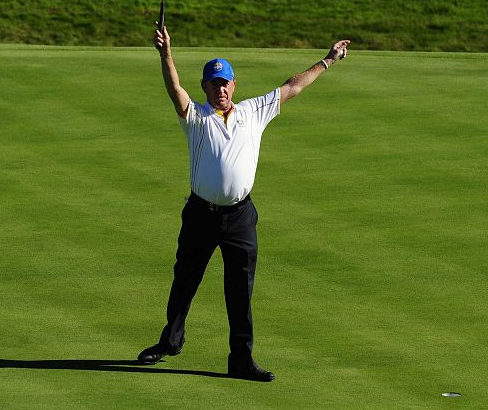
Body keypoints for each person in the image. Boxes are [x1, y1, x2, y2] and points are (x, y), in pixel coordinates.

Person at [138, 24, 350, 382]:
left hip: (239, 217)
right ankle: (171, 342)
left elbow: (292, 85)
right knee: (185, 280)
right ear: (205, 87)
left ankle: (241, 360)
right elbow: (174, 88)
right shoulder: (196, 118)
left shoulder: (254, 111)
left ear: (234, 85)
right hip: (200, 214)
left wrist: (328, 60)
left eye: (225, 83)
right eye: (213, 83)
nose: (220, 89)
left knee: (240, 290)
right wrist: (165, 52)